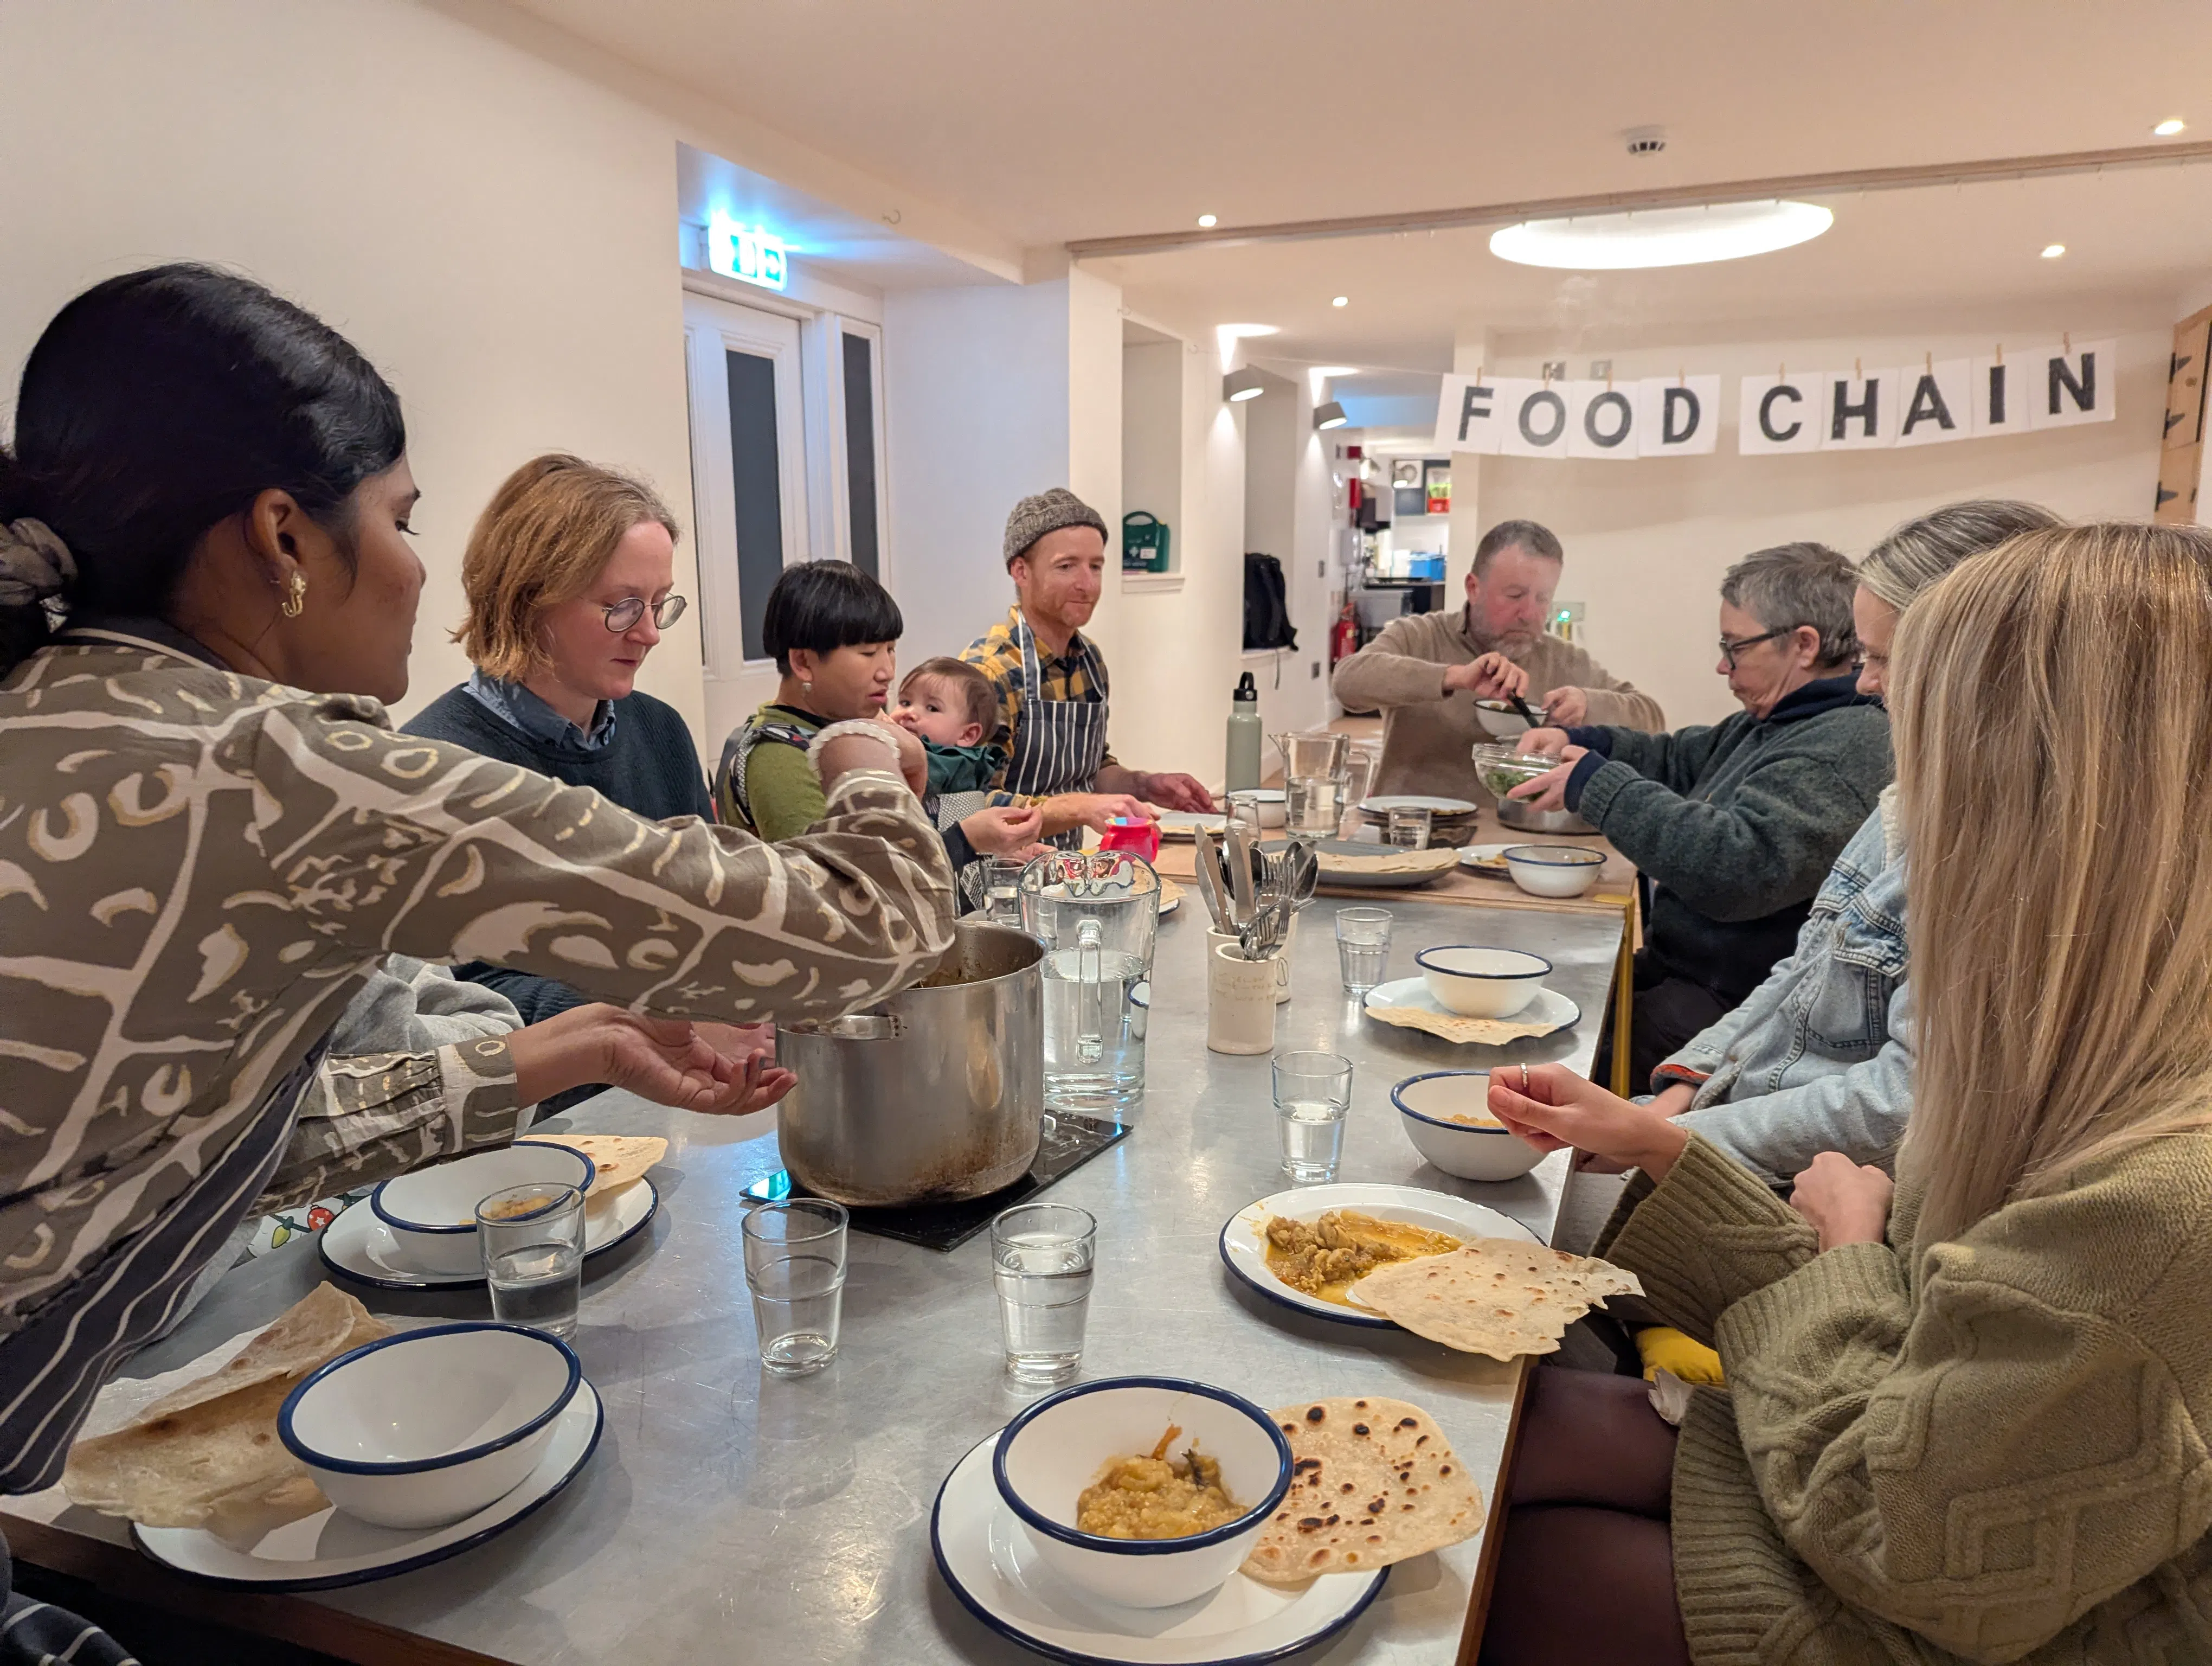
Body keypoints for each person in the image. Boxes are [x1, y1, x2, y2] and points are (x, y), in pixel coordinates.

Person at [0, 265, 955, 1515]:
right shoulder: (275, 771)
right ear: (285, 536)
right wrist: (862, 756)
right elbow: (875, 926)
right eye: (399, 519)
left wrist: (567, 1047)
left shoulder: (62, 710)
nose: (412, 569)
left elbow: (166, 1142)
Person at [1477, 521, 2212, 1666]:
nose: (1901, 779)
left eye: (1913, 710)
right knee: (1508, 1429)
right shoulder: (2089, 1062)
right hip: (1847, 1454)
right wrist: (1684, 1140)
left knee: (1502, 1556)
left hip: (1893, 1590)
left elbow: (1908, 1539)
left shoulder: (2158, 1206)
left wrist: (1836, 1255)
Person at [1649, 501, 2061, 1186]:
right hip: (1736, 1128)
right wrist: (1685, 1093)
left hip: (1802, 1179)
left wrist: (1673, 1139)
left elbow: (1905, 1100)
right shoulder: (1910, 797)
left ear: (1973, 663)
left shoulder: (2020, 858)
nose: (1865, 683)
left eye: (1882, 659)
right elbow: (1803, 968)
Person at [406, 456, 762, 1089]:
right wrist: (653, 1023)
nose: (650, 634)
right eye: (622, 607)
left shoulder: (660, 731)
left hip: (677, 1086)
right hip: (539, 1127)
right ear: (529, 598)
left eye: (659, 605)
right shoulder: (436, 767)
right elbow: (456, 1007)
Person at [1514, 542, 1890, 1087]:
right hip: (1683, 973)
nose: (1722, 666)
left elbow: (1737, 867)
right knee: (1547, 993)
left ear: (1803, 645)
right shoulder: (1781, 719)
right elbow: (1677, 758)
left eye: (1735, 648)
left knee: (1546, 1056)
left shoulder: (1844, 744)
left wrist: (1600, 786)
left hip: (1728, 1006)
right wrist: (1579, 740)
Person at [715, 561, 1044, 869]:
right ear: (803, 663)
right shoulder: (778, 756)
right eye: (868, 653)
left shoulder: (861, 727)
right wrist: (966, 841)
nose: (887, 671)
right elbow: (839, 891)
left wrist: (1002, 851)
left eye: (891, 649)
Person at [1330, 518, 1663, 801]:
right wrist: (1455, 677)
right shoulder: (1420, 636)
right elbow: (1348, 682)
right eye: (1515, 596)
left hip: (1522, 835)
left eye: (1543, 598)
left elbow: (1651, 720)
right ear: (1473, 588)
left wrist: (1588, 704)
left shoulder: (1563, 660)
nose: (1530, 614)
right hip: (1410, 829)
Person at [961, 489, 1214, 845]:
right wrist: (1079, 808)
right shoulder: (991, 673)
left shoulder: (1089, 661)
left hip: (1068, 875)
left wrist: (1144, 785)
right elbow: (971, 806)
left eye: (1095, 566)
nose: (1088, 585)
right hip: (1005, 880)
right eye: (1066, 566)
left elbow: (1089, 771)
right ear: (1020, 571)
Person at [890, 655, 1007, 831]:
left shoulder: (953, 762)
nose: (909, 713)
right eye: (905, 702)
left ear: (967, 735)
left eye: (932, 708)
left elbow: (917, 765)